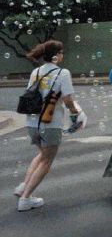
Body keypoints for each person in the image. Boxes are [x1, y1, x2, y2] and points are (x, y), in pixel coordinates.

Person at [14, 40, 87, 212]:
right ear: (56, 55)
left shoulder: (36, 72)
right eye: (61, 52)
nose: (63, 55)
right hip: (51, 123)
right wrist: (75, 114)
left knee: (41, 155)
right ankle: (25, 199)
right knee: (47, 160)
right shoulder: (63, 73)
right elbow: (68, 100)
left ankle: (24, 187)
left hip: (32, 123)